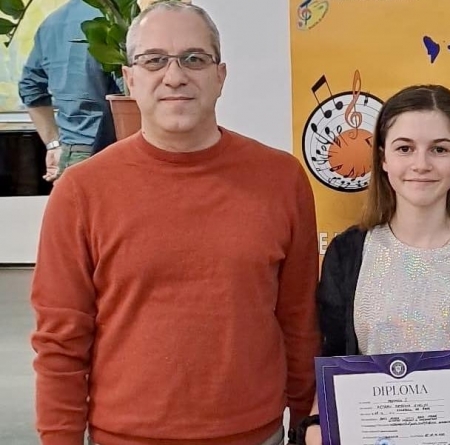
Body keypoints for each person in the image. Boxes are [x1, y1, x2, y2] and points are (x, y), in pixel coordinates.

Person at [29, 2, 320, 444]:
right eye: (153, 60)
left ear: (220, 76)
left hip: (254, 434)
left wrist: (306, 423)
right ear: (129, 79)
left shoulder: (281, 179)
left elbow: (299, 321)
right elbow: (60, 342)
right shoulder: (81, 191)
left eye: (194, 59)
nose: (174, 76)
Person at [296, 85, 450, 445]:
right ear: (383, 159)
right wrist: (316, 425)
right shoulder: (347, 253)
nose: (421, 164)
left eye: (439, 149)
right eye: (405, 148)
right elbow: (333, 356)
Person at [18, 0, 121, 182]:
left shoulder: (52, 22)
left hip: (71, 156)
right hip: (114, 153)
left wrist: (53, 144)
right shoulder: (120, 18)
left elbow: (30, 86)